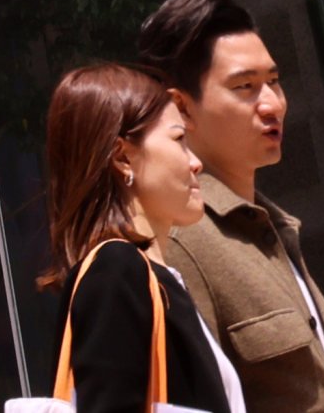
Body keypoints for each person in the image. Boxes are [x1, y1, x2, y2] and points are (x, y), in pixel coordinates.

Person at [136, 0, 324, 412]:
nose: (273, 103)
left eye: (274, 81)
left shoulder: (271, 227)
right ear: (180, 107)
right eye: (245, 87)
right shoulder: (180, 242)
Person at [38, 62, 245, 413]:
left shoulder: (148, 277)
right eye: (179, 139)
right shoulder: (116, 270)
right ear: (122, 157)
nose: (195, 162)